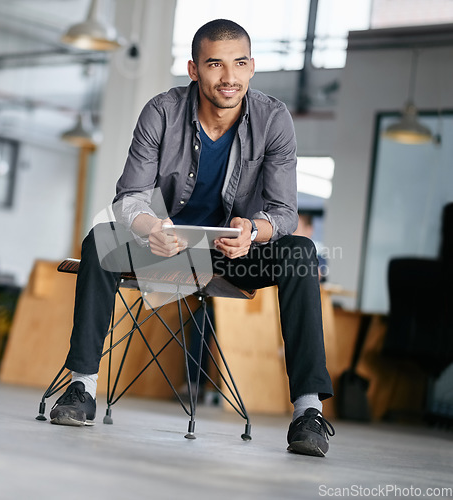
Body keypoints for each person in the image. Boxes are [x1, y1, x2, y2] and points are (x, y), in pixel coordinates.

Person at [49, 19, 335, 457]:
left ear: (253, 67)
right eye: (215, 64)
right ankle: (81, 388)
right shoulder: (161, 112)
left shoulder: (274, 119)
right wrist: (151, 229)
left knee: (300, 252)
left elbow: (283, 214)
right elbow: (129, 198)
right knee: (100, 239)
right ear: (194, 69)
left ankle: (307, 412)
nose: (229, 77)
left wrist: (252, 232)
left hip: (231, 253)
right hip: (166, 247)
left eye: (239, 64)